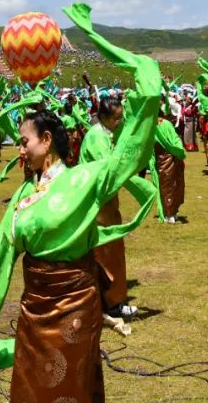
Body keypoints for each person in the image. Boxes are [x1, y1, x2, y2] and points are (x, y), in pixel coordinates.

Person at [0, 3, 159, 401]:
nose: (19, 149)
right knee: (33, 387)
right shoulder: (24, 194)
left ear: (46, 141)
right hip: (33, 310)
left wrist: (99, 39)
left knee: (70, 386)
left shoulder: (87, 177)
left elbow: (133, 146)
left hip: (75, 309)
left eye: (24, 141)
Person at [78, 93, 137, 319]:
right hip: (99, 203)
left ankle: (105, 300)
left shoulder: (104, 134)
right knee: (107, 251)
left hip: (103, 201)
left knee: (107, 250)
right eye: (116, 118)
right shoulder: (97, 138)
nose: (119, 122)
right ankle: (111, 304)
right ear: (104, 117)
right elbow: (109, 170)